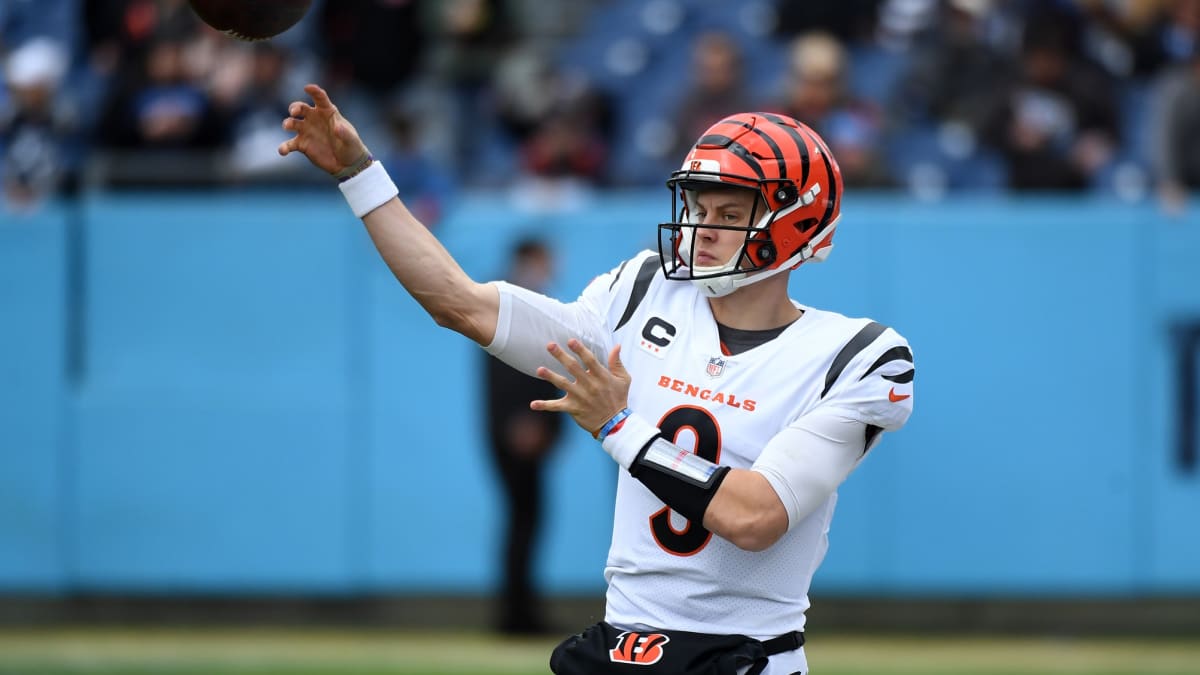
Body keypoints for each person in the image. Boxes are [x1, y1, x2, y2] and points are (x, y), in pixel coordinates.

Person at [279, 83, 915, 675]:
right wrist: (360, 176)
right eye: (699, 205)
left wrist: (618, 427)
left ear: (797, 222)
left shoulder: (858, 355)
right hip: (622, 646)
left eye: (730, 210)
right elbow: (460, 303)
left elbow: (755, 518)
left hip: (745, 657)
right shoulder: (644, 292)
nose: (702, 227)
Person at [482, 237, 566, 635]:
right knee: (523, 522)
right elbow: (508, 374)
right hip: (518, 434)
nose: (554, 265)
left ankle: (520, 613)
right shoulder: (513, 306)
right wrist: (523, 422)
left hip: (521, 431)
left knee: (525, 522)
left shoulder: (523, 304)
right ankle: (516, 618)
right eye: (547, 257)